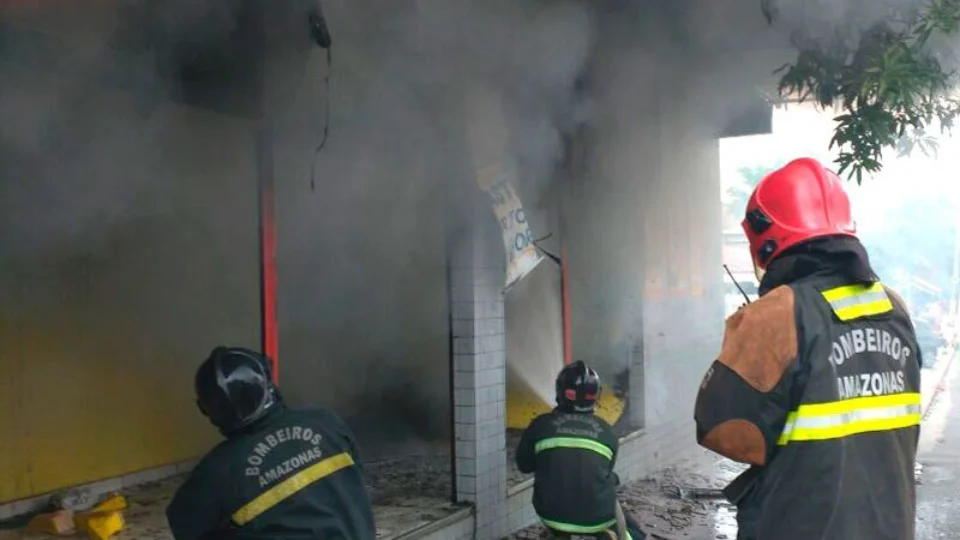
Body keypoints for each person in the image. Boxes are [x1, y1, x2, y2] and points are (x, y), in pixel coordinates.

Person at [694, 157, 922, 540]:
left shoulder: (776, 315)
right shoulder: (893, 307)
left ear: (767, 241)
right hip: (890, 526)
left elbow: (722, 429)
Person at [166, 346, 376, 540]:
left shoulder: (216, 471)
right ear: (268, 383)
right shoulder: (327, 422)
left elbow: (183, 524)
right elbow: (356, 477)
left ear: (206, 411)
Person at [515, 361, 647, 540]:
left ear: (561, 391)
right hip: (597, 518)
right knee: (634, 532)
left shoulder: (540, 425)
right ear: (596, 397)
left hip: (551, 515)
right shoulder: (607, 432)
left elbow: (524, 465)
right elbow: (604, 471)